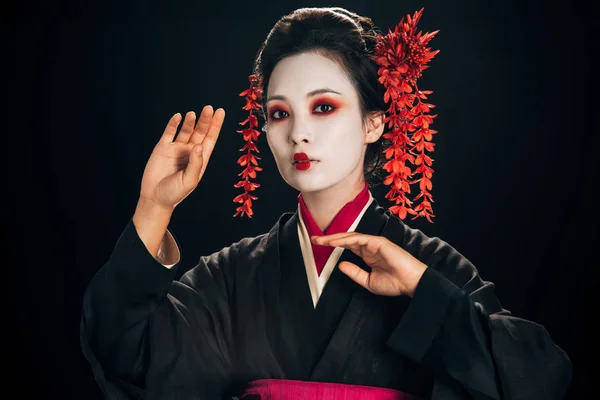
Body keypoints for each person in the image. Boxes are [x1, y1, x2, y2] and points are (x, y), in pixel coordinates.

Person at [80, 6, 572, 400]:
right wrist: (153, 207)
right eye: (279, 113)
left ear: (374, 123)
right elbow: (126, 352)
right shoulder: (230, 277)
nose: (298, 133)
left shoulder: (429, 268)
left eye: (323, 107)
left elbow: (537, 378)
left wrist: (425, 292)